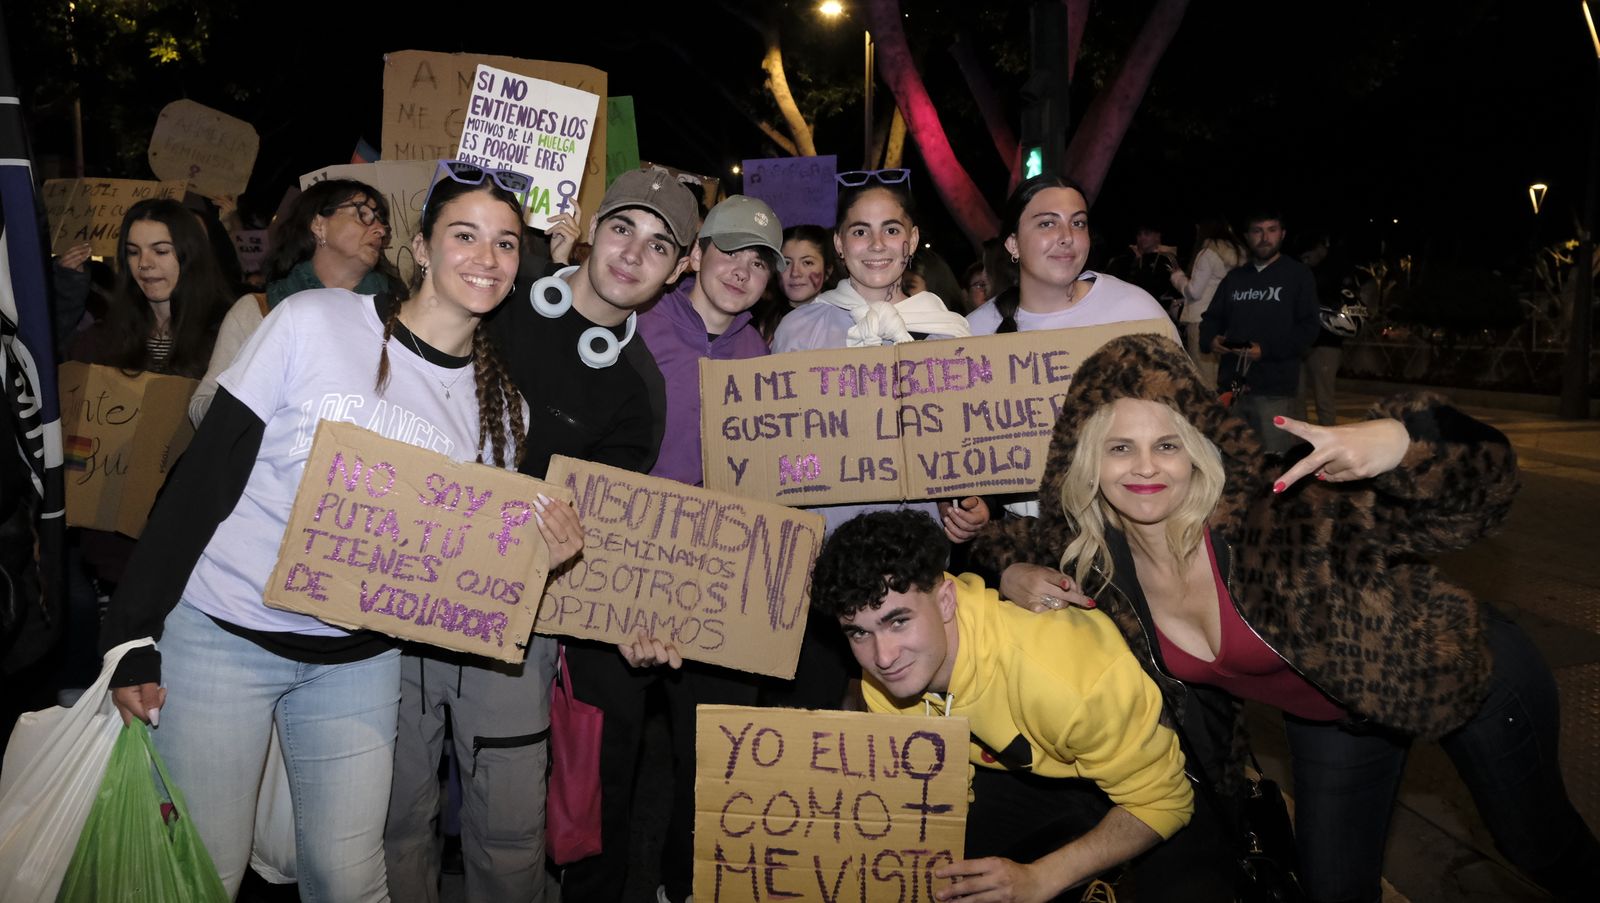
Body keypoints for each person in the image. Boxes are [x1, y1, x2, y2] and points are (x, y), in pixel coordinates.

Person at [972, 333, 1600, 903]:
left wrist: (1403, 441)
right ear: (1088, 463)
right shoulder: (1099, 563)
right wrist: (1010, 570)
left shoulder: (1277, 513)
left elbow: (1484, 495)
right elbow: (1003, 542)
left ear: (1196, 449)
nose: (1143, 467)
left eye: (1167, 444)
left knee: (1540, 850)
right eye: (1119, 448)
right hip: (1334, 721)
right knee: (1331, 890)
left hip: (1464, 671)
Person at [99, 163, 585, 899]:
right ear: (421, 247)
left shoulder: (503, 415)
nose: (487, 258)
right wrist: (133, 632)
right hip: (226, 635)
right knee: (202, 875)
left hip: (358, 665)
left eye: (507, 244)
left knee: (351, 882)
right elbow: (206, 474)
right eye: (465, 235)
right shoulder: (313, 322)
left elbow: (454, 577)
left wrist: (536, 560)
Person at [431, 164, 694, 903]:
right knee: (395, 817)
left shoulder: (640, 392)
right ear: (592, 229)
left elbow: (599, 533)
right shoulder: (500, 295)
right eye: (622, 228)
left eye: (659, 245)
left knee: (508, 837)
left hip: (517, 626)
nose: (633, 254)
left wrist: (634, 609)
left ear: (678, 271)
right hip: (411, 590)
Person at [810, 509, 1229, 901]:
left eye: (898, 621)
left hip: (1153, 772)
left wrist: (1038, 879)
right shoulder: (885, 685)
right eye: (859, 633)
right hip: (1034, 765)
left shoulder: (1061, 682)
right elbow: (936, 805)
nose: (883, 657)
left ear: (945, 602)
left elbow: (1165, 802)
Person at [766, 168, 988, 710]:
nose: (877, 244)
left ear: (911, 241)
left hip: (915, 555)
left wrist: (976, 506)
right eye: (860, 231)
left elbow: (969, 450)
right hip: (823, 554)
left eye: (891, 229)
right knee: (816, 705)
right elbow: (775, 449)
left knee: (916, 711)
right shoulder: (800, 331)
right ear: (840, 244)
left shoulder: (949, 333)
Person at [616, 193, 783, 903]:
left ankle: (684, 886)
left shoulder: (764, 356)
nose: (741, 271)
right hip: (624, 573)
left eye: (759, 262)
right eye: (729, 252)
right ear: (695, 256)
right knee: (610, 756)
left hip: (718, 580)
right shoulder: (635, 323)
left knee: (711, 755)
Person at [189, 178, 401, 424]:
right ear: (319, 225)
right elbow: (200, 410)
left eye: (381, 222)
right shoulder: (258, 310)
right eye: (363, 215)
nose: (379, 230)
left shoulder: (397, 318)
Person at [1198, 210, 1320, 455]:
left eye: (1271, 230)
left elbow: (1309, 329)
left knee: (1272, 461)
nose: (1264, 237)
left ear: (1282, 234)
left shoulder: (1298, 275)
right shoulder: (1235, 278)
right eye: (1257, 231)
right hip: (1232, 388)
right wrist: (1211, 339)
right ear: (1247, 236)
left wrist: (1266, 351)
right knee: (1231, 460)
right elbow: (1211, 319)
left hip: (1274, 388)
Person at [1168, 216, 1245, 383]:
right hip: (1228, 321)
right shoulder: (1239, 253)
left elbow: (1194, 291)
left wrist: (1177, 278)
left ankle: (1209, 409)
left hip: (1201, 322)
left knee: (1204, 378)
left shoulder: (1208, 252)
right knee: (1225, 378)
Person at [753, 223, 836, 341]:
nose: (795, 273)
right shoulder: (764, 324)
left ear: (827, 271)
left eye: (807, 263)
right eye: (786, 263)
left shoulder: (842, 320)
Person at [1104, 222, 1179, 311]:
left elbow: (1159, 287)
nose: (1142, 238)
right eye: (1139, 235)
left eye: (1147, 234)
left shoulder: (1166, 258)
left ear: (1157, 236)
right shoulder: (1128, 257)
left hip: (1155, 307)